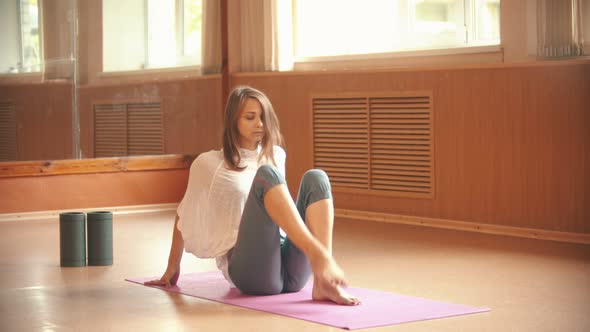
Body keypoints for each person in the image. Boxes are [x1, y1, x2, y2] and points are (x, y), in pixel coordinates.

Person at [145, 86, 360, 305]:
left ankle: (324, 283)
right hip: (251, 273)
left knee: (317, 177)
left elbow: (280, 212)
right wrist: (173, 265)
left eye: (263, 117)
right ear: (233, 121)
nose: (260, 124)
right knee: (267, 174)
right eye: (250, 117)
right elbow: (186, 212)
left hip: (289, 271)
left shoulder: (276, 155)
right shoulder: (209, 164)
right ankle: (321, 257)